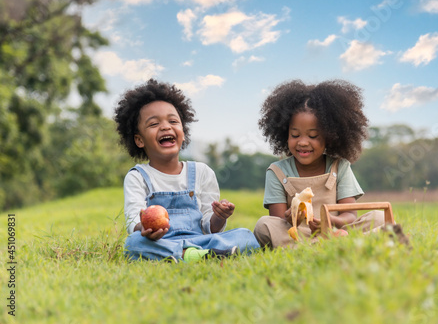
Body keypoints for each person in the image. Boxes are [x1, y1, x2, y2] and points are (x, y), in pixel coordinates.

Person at [114, 79, 260, 262]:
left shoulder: (202, 172)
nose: (166, 126)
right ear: (139, 140)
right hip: (162, 242)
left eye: (173, 121)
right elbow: (133, 219)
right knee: (133, 243)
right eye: (153, 124)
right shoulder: (138, 177)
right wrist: (143, 229)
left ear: (183, 131)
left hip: (201, 240)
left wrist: (218, 216)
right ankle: (191, 255)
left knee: (245, 235)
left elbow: (210, 228)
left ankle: (190, 255)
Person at [253, 79, 385, 248]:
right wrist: (291, 216)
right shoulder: (277, 171)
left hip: (336, 229)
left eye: (313, 136)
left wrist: (329, 221)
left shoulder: (340, 167)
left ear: (330, 136)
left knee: (379, 217)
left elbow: (350, 215)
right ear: (284, 134)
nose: (302, 142)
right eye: (295, 135)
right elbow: (277, 221)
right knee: (264, 225)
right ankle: (336, 245)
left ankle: (323, 244)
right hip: (298, 234)